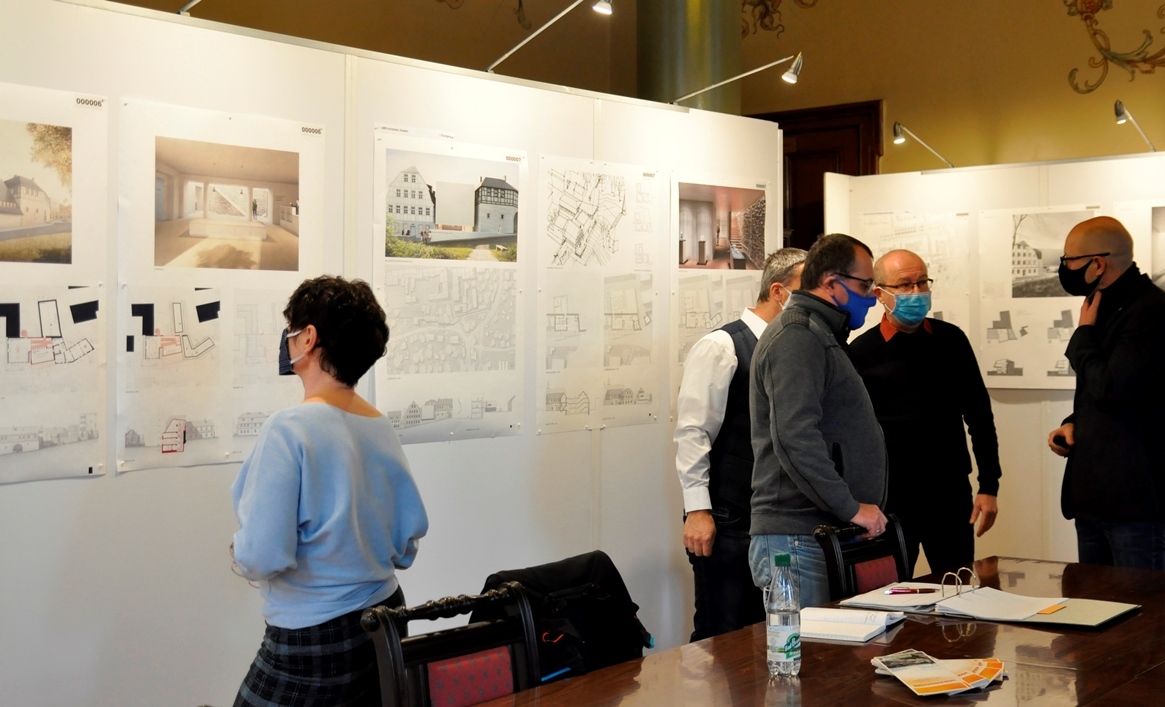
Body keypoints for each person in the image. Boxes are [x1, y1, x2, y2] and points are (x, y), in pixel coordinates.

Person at [232, 275, 429, 706]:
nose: (287, 340)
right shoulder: (379, 426)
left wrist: (238, 556)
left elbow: (261, 554)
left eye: (291, 329)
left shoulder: (288, 429)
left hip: (314, 636)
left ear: (308, 338)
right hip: (386, 616)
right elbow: (406, 545)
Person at [749, 234, 889, 609]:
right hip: (798, 538)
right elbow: (794, 437)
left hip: (820, 533)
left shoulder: (820, 333)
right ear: (831, 282)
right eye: (865, 286)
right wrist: (851, 508)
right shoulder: (797, 336)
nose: (872, 296)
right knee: (805, 647)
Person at [675, 247, 807, 641]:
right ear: (779, 292)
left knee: (774, 628)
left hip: (779, 516)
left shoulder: (795, 348)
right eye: (808, 289)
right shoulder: (722, 346)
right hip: (729, 517)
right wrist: (698, 510)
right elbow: (693, 432)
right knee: (722, 633)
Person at [850, 249, 1001, 576]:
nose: (916, 292)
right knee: (891, 592)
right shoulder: (860, 353)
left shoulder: (951, 340)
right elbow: (852, 436)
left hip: (949, 492)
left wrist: (989, 485)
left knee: (957, 588)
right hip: (891, 500)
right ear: (880, 294)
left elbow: (979, 416)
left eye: (922, 282)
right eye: (905, 285)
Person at [1047, 216, 1165, 569]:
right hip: (1094, 499)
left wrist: (1083, 334)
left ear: (1097, 263)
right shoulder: (1105, 304)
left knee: (1139, 602)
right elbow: (1115, 391)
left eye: (1069, 260)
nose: (1064, 268)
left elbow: (1112, 388)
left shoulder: (1150, 310)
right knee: (1090, 600)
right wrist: (1073, 423)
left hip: (1134, 505)